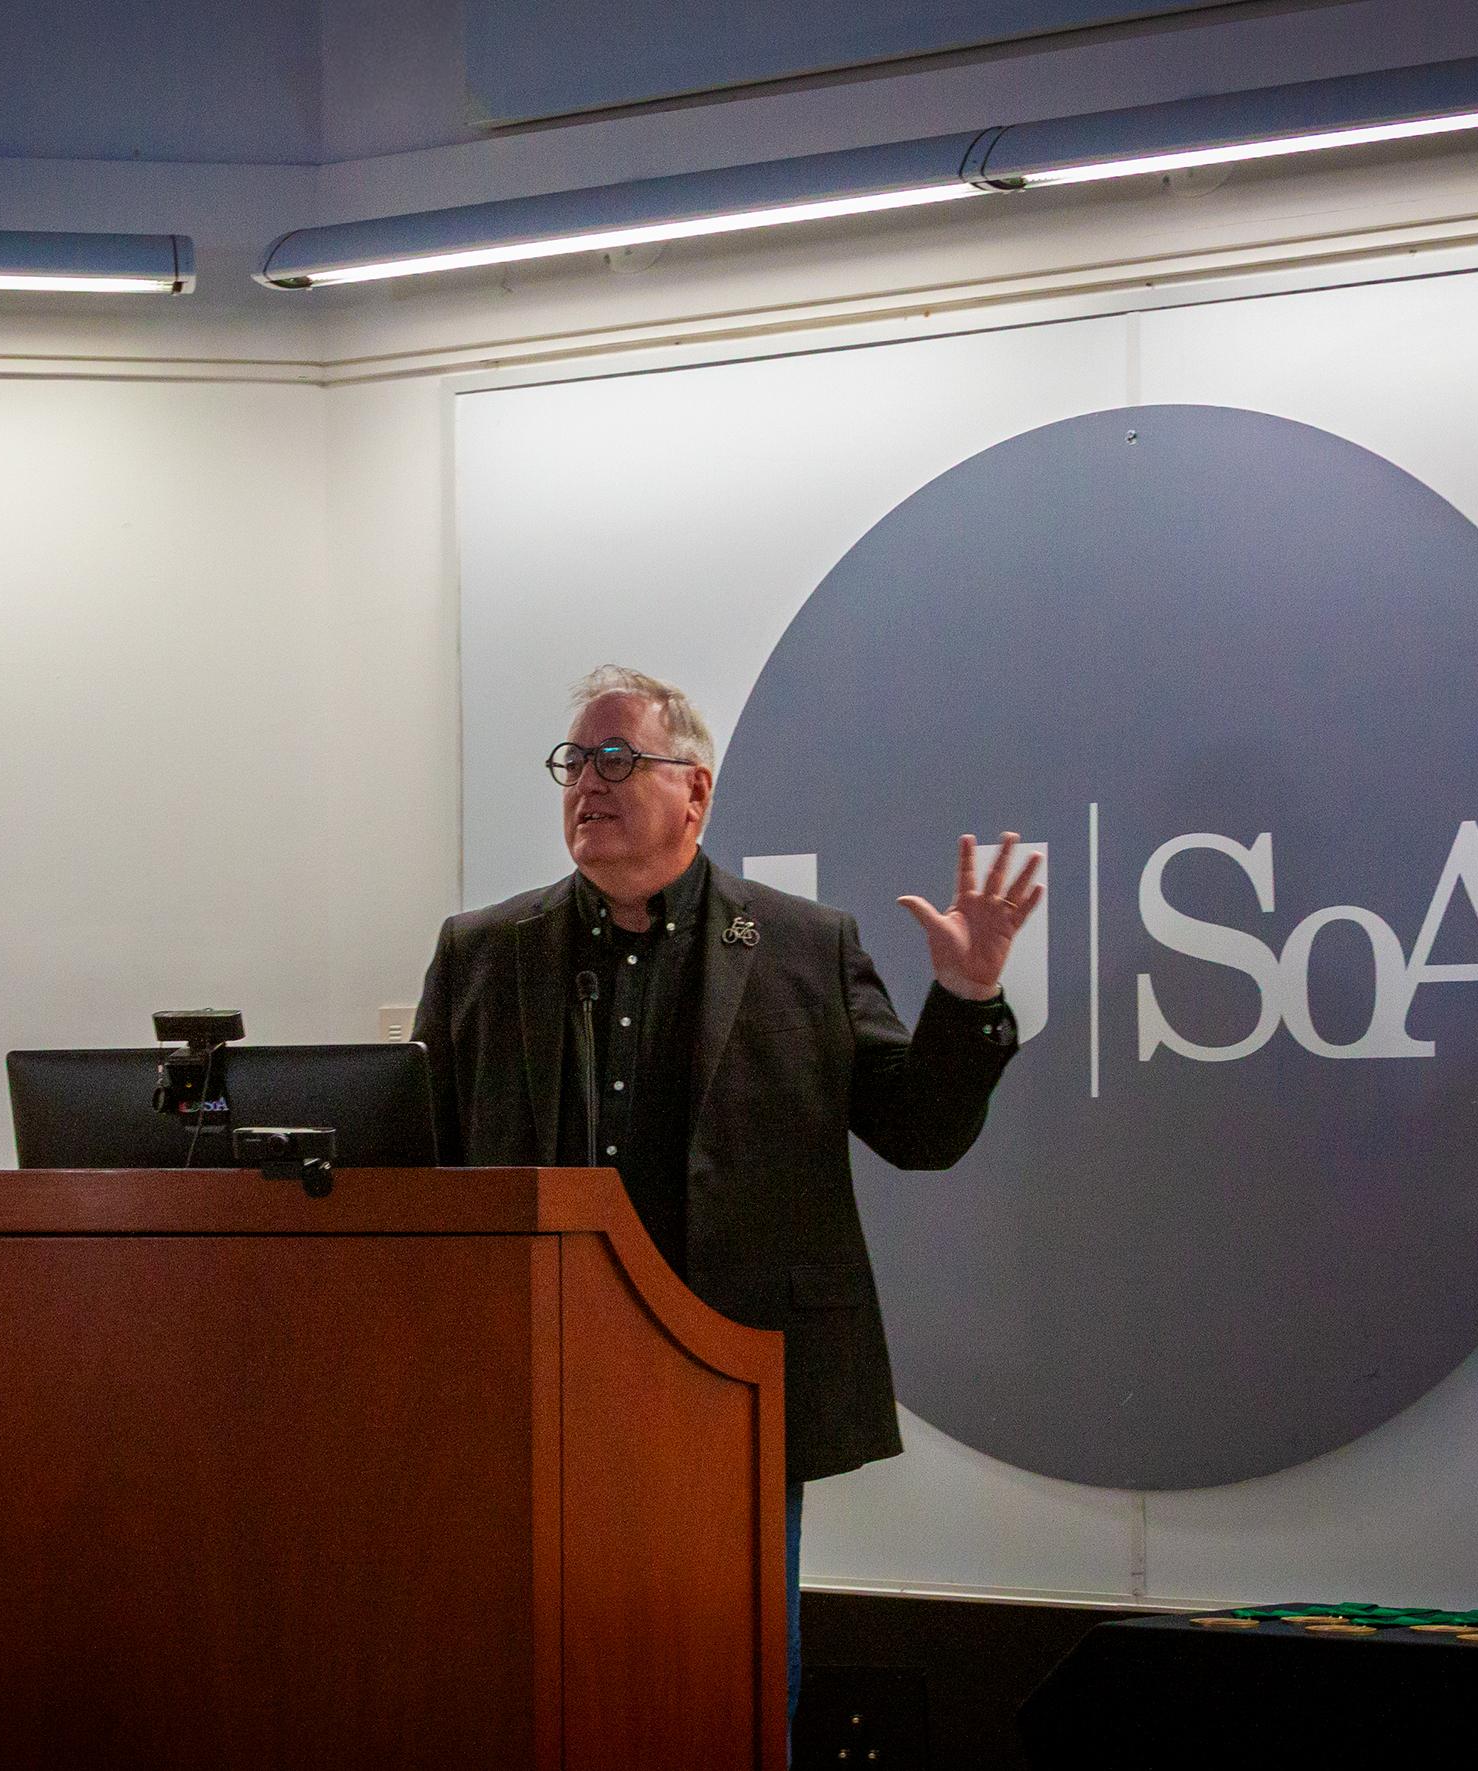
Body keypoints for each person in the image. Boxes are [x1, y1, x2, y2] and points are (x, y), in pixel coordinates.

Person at [411, 664, 1042, 1716]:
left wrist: (967, 995)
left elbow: (921, 1132)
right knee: (538, 1683)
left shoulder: (802, 946)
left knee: (726, 1686)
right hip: (534, 1376)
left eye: (618, 757)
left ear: (695, 791)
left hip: (727, 1376)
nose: (587, 782)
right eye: (574, 761)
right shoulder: (483, 952)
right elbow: (413, 1157)